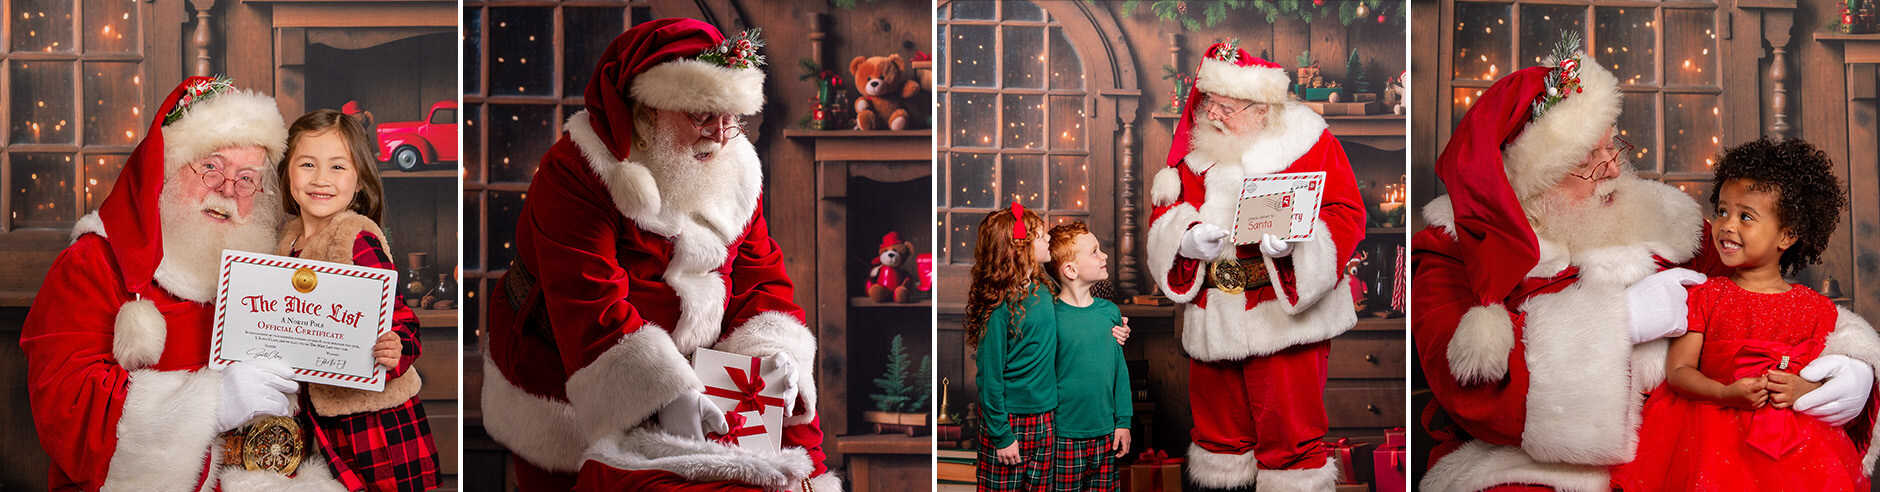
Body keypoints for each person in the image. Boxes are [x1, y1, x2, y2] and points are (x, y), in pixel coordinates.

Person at [1414, 34, 1880, 490]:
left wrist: (1850, 363)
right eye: (1589, 159)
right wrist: (1619, 321)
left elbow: (1760, 303)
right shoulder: (1452, 249)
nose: (1614, 169)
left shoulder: (1670, 221)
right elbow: (1472, 396)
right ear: (1531, 179)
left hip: (1691, 449)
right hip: (1538, 466)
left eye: (1612, 146)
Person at [478, 19, 839, 492]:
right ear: (646, 112)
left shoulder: (734, 167)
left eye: (732, 117)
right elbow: (587, 299)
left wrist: (773, 354)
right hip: (566, 375)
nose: (720, 135)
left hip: (702, 372)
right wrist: (664, 393)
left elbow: (759, 276)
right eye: (702, 115)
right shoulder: (576, 171)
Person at [21, 76, 356, 490]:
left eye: (247, 178)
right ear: (168, 170)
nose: (228, 190)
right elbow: (65, 405)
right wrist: (213, 404)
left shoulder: (273, 265)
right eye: (211, 168)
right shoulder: (93, 262)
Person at [1143, 40, 1367, 491]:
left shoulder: (1309, 140)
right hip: (1214, 316)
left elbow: (1346, 212)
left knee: (1291, 445)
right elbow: (1164, 211)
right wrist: (1186, 239)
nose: (1212, 114)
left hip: (1285, 319)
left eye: (1226, 108)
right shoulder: (1195, 151)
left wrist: (1295, 247)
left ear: (1261, 109)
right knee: (1219, 445)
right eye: (1209, 103)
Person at [1611, 138, 1871, 490]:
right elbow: (1679, 372)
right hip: (1707, 436)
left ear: (1787, 236)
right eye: (1722, 211)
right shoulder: (1706, 295)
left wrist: (1802, 388)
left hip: (1791, 448)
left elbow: (1827, 382)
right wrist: (1723, 393)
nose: (1727, 225)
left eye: (1745, 216)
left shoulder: (1817, 309)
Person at [275, 109, 441, 491]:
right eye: (307, 164)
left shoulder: (357, 240)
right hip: (317, 416)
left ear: (359, 181)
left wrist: (397, 348)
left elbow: (403, 321)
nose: (321, 179)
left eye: (337, 167)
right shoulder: (287, 240)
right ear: (288, 174)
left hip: (374, 422)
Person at [967, 204, 1058, 492]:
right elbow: (989, 378)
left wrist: (1114, 326)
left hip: (1046, 416)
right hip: (1008, 420)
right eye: (1040, 236)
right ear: (1019, 249)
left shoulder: (1045, 288)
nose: (1048, 239)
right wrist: (1002, 436)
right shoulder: (998, 308)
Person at [1043, 221, 1132, 492]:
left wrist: (1123, 422)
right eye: (1094, 251)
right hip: (1063, 436)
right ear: (1070, 270)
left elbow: (1119, 371)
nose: (1104, 255)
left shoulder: (1110, 312)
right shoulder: (1049, 316)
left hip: (1106, 434)